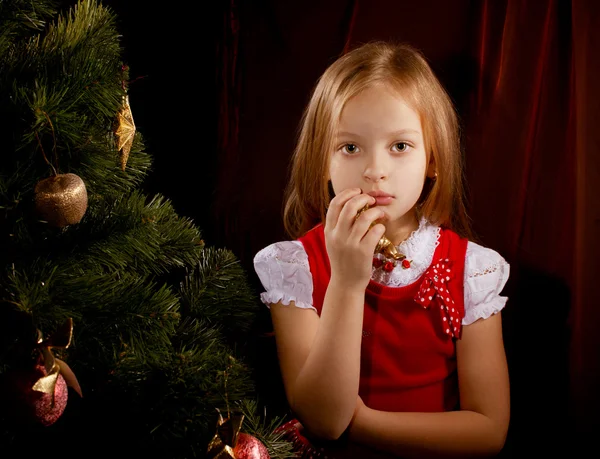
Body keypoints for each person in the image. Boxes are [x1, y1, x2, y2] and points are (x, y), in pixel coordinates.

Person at [253, 41, 510, 458]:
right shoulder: (293, 266)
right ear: (323, 160)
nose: (375, 170)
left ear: (433, 159)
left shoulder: (472, 270)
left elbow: (487, 431)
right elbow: (324, 419)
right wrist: (348, 284)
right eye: (350, 147)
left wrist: (365, 423)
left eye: (400, 146)